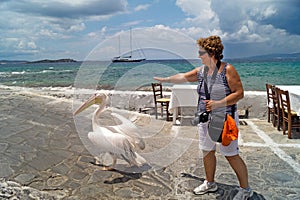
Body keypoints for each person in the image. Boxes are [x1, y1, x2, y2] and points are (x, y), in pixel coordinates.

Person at [153, 35, 253, 200]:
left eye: (201, 52)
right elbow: (184, 77)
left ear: (212, 53)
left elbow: (239, 93)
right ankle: (210, 183)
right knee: (207, 151)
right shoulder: (201, 71)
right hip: (205, 119)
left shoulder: (228, 70)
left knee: (230, 153)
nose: (198, 56)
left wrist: (218, 103)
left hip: (225, 119)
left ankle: (245, 189)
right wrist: (166, 79)